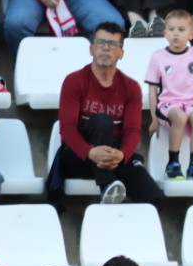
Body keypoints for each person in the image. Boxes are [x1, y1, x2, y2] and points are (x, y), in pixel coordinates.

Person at [55, 25, 164, 207]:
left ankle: (120, 209)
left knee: (153, 199)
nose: (106, 48)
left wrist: (122, 154)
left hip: (115, 157)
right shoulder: (74, 81)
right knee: (102, 120)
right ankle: (106, 185)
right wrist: (90, 152)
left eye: (112, 44)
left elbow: (133, 131)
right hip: (79, 157)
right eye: (100, 42)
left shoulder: (131, 87)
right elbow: (67, 129)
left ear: (121, 53)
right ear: (91, 49)